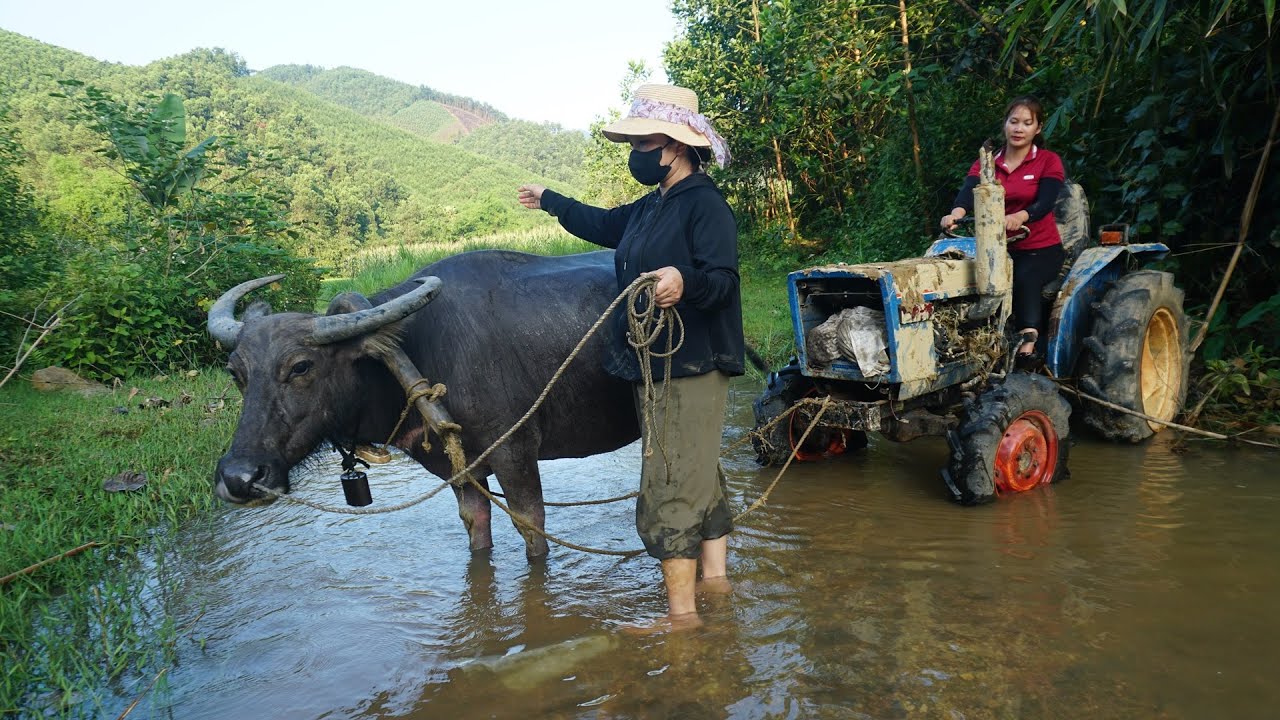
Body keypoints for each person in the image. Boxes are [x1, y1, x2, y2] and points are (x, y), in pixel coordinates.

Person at [517, 83, 744, 630]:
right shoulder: (653, 206)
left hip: (692, 364)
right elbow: (600, 224)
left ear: (675, 146)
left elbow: (722, 282)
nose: (637, 153)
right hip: (658, 364)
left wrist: (681, 281)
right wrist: (550, 199)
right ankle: (716, 584)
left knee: (670, 482)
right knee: (699, 477)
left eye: (644, 143)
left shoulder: (705, 205)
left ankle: (682, 619)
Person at [940, 96, 1066, 360]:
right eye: (1014, 121)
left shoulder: (1047, 161)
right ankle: (962, 344)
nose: (1019, 128)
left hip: (1038, 249)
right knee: (959, 278)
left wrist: (1021, 216)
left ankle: (1027, 343)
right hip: (994, 249)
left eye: (1027, 123)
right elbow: (967, 193)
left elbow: (1045, 202)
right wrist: (955, 214)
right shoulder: (988, 163)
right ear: (1005, 125)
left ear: (1038, 128)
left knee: (1024, 278)